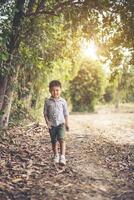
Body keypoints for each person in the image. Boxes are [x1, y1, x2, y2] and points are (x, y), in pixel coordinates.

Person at [44, 80, 69, 166]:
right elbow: (45, 114)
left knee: (62, 139)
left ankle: (62, 156)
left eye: (57, 90)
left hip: (61, 124)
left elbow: (66, 113)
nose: (55, 92)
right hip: (52, 125)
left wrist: (67, 123)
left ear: (60, 90)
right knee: (53, 141)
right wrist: (47, 122)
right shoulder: (47, 102)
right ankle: (56, 156)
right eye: (53, 90)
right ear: (50, 91)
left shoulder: (63, 101)